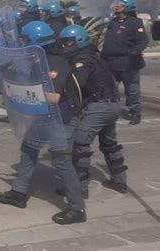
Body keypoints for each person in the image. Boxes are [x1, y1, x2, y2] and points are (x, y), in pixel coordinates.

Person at [0, 21, 86, 225]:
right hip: (42, 117)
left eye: (27, 39)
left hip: (61, 119)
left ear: (36, 40)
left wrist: (26, 93)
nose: (24, 42)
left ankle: (77, 208)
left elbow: (54, 97)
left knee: (62, 162)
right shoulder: (36, 61)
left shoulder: (56, 62)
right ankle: (18, 193)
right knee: (28, 150)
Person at [60, 25, 128, 196]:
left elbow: (77, 84)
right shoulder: (94, 56)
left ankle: (78, 188)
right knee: (109, 144)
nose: (65, 46)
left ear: (79, 41)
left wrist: (71, 104)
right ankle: (119, 180)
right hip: (112, 105)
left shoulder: (82, 59)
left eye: (68, 43)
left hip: (99, 106)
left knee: (80, 144)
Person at [101, 0, 149, 125]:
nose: (116, 6)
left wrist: (133, 52)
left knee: (132, 90)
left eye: (119, 4)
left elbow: (143, 41)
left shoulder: (135, 22)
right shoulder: (114, 22)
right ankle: (113, 112)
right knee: (111, 90)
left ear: (127, 7)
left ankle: (135, 113)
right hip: (112, 63)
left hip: (128, 63)